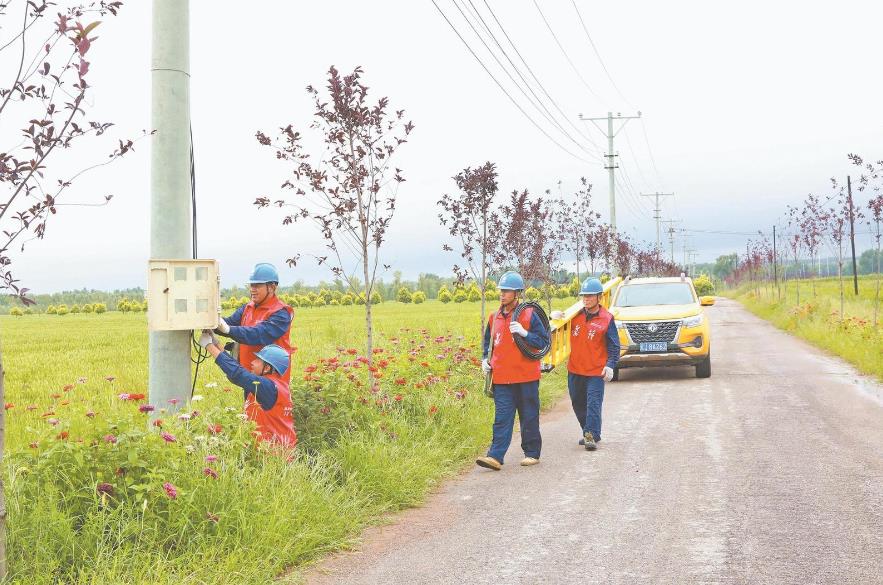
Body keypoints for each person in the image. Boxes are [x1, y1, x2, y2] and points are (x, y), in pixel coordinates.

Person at [476, 271, 550, 470]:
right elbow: (488, 343)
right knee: (502, 418)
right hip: (502, 379)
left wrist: (525, 333)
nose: (502, 294)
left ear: (517, 293)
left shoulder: (530, 314)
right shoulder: (494, 317)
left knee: (529, 416)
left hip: (526, 377)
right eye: (501, 290)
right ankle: (495, 456)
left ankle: (532, 453)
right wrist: (484, 360)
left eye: (507, 291)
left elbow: (543, 341)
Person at [552, 277, 620, 451]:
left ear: (599, 297)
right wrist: (555, 318)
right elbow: (557, 331)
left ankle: (589, 436)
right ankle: (591, 433)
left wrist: (610, 365)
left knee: (593, 404)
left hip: (596, 372)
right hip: (575, 370)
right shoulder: (574, 316)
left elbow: (614, 346)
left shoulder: (607, 318)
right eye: (584, 296)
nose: (586, 299)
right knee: (577, 403)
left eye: (590, 296)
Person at [200, 331, 297, 446]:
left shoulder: (268, 386)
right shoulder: (273, 384)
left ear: (267, 368)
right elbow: (238, 370)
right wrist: (216, 342)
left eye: (258, 360)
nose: (252, 362)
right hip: (271, 450)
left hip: (273, 452)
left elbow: (238, 374)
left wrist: (209, 346)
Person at [215, 262, 294, 383]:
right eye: (251, 285)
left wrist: (228, 329)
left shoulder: (281, 313)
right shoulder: (247, 308)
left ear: (272, 287)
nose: (252, 289)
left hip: (271, 382)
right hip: (250, 375)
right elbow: (229, 323)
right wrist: (209, 321)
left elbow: (258, 334)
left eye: (257, 285)